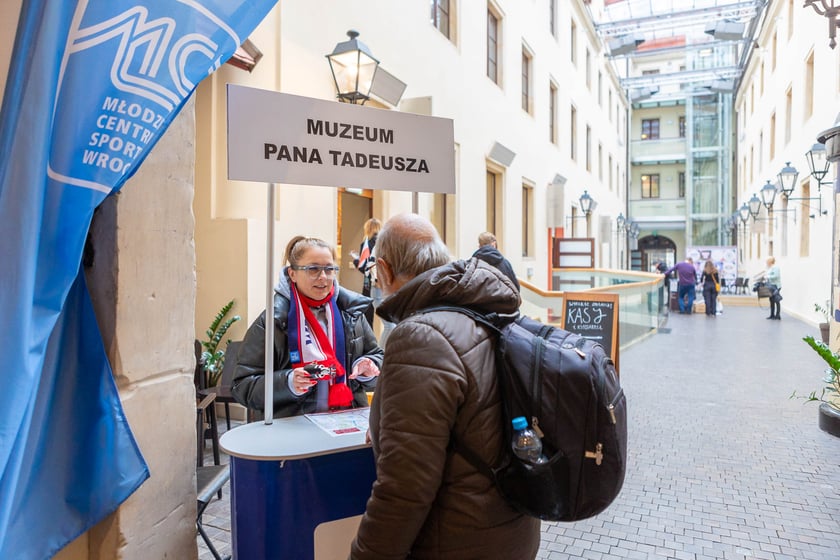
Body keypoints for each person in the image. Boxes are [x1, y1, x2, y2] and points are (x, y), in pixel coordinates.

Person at [350, 214, 540, 559]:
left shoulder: (419, 336)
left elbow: (404, 487)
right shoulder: (488, 311)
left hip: (454, 539)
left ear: (384, 269)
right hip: (511, 527)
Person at [232, 236, 383, 418]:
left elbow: (377, 357)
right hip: (294, 427)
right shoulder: (274, 320)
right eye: (313, 269)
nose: (323, 277)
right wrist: (287, 382)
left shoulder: (351, 311)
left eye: (329, 269)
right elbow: (242, 386)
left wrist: (367, 368)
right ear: (292, 274)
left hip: (345, 419)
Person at [350, 218, 381, 325]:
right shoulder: (382, 243)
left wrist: (356, 261)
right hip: (382, 280)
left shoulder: (367, 243)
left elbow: (365, 267)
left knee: (368, 312)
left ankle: (369, 338)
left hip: (369, 281)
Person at [762, 256, 782, 320]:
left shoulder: (776, 268)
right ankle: (772, 315)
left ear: (770, 261)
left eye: (767, 261)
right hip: (770, 286)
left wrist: (768, 276)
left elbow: (776, 276)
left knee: (777, 300)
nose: (766, 262)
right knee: (771, 300)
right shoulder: (769, 268)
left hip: (776, 286)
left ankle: (778, 315)